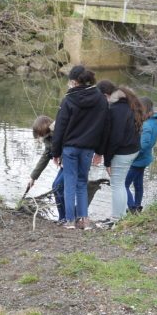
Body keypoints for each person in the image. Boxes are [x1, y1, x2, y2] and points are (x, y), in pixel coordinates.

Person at [50, 66, 109, 230]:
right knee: (82, 182)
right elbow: (105, 127)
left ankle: (69, 221)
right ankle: (84, 220)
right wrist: (100, 151)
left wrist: (55, 152)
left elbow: (60, 127)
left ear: (75, 82)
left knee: (69, 183)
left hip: (70, 148)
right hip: (88, 148)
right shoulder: (101, 99)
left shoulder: (69, 98)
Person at [95, 81, 143, 226]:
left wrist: (107, 161)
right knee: (120, 184)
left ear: (105, 95)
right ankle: (121, 218)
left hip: (122, 152)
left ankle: (116, 220)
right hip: (132, 149)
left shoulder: (116, 109)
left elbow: (115, 138)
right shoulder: (128, 103)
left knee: (116, 185)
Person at [26, 115, 65, 223]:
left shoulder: (57, 133)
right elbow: (46, 155)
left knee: (57, 186)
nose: (39, 137)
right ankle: (62, 217)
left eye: (39, 134)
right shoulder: (47, 139)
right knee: (57, 186)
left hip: (69, 162)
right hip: (64, 165)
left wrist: (62, 159)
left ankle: (65, 217)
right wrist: (33, 177)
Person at [125, 97, 157, 214]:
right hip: (144, 159)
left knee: (123, 185)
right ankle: (138, 206)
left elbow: (143, 145)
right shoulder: (154, 122)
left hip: (137, 160)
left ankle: (132, 208)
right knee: (138, 184)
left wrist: (130, 155)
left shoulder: (146, 126)